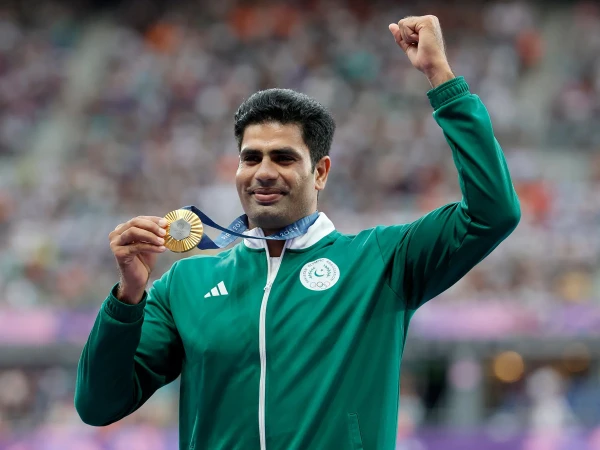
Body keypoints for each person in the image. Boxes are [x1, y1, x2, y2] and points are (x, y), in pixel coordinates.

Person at [75, 15, 521, 450]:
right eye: (251, 158)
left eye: (284, 158)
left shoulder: (381, 262)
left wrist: (441, 77)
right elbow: (99, 405)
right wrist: (127, 299)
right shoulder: (185, 286)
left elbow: (493, 213)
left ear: (320, 172)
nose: (264, 172)